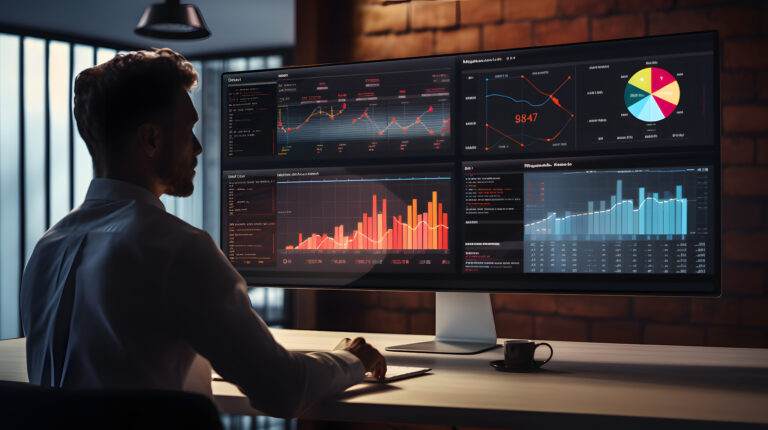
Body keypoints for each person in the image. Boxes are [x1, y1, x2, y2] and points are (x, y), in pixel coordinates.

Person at [19, 48, 386, 418]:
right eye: (188, 129)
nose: (197, 147)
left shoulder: (47, 249)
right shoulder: (177, 249)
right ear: (150, 140)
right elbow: (282, 389)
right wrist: (349, 359)